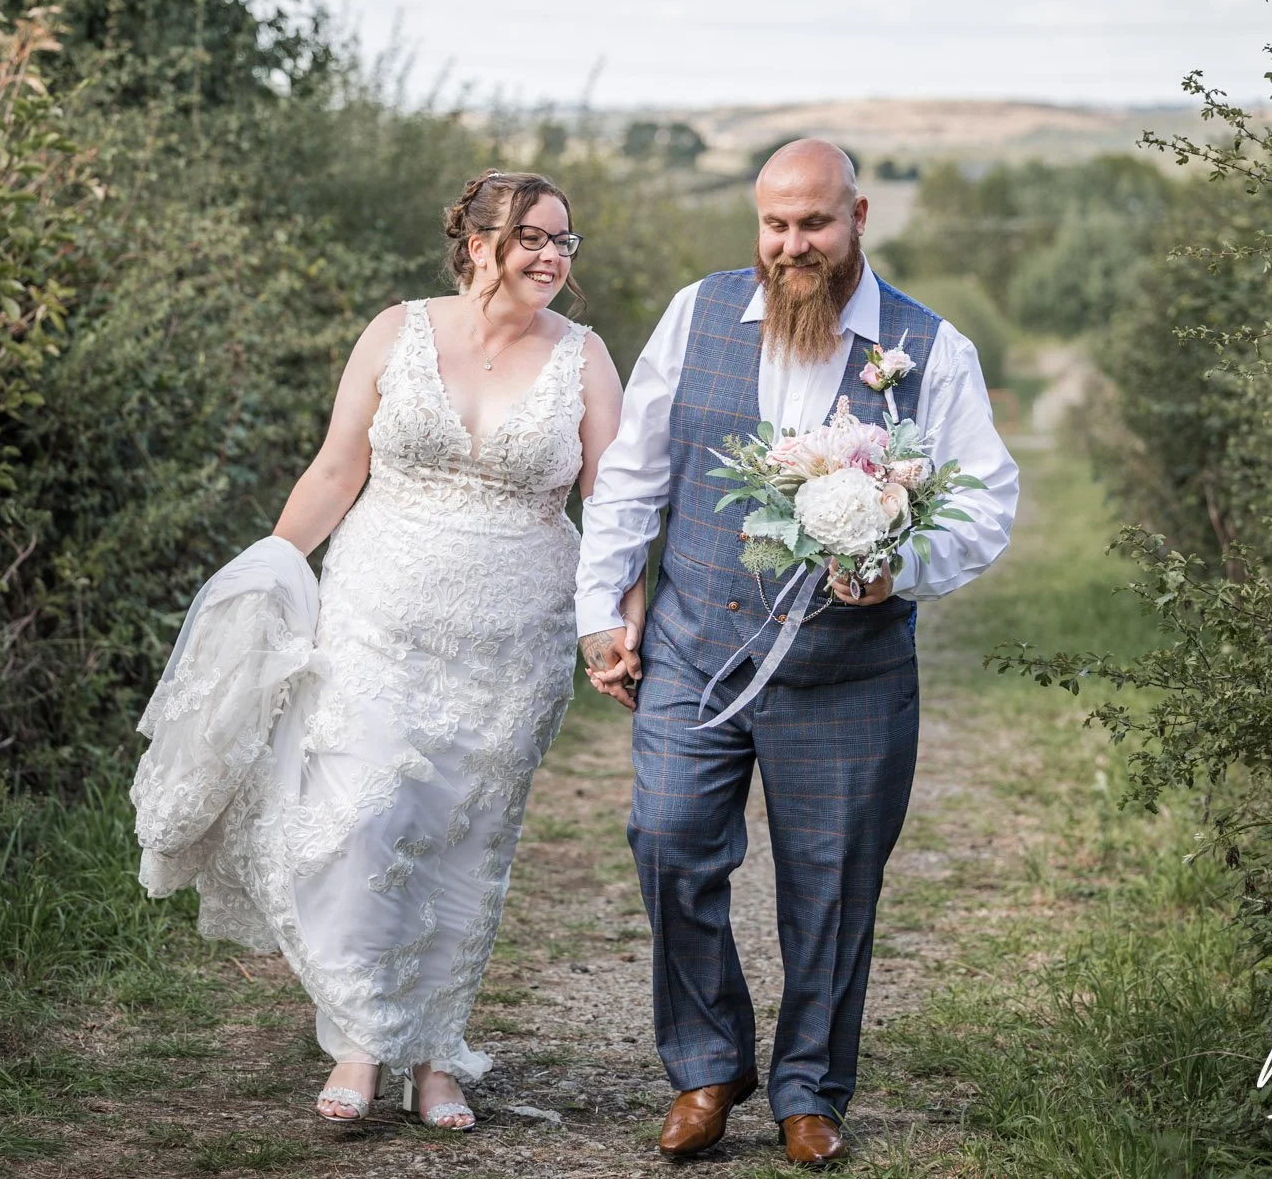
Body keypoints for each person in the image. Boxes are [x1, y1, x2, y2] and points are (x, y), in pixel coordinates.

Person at [130, 170, 625, 1131]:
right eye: (532, 237)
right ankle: (363, 1036)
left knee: (463, 839)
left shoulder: (586, 357)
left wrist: (614, 623)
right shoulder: (397, 330)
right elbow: (336, 467)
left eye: (565, 241)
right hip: (375, 616)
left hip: (512, 637)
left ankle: (437, 1053)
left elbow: (611, 506)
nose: (554, 257)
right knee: (365, 818)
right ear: (477, 241)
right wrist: (276, 568)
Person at [575, 139, 1019, 1166]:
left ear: (858, 216)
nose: (790, 245)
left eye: (812, 224)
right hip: (695, 649)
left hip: (847, 669)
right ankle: (705, 1065)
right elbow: (633, 474)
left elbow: (986, 505)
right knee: (668, 841)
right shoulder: (695, 315)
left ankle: (809, 1089)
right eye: (773, 225)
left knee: (831, 885)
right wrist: (602, 610)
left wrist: (896, 568)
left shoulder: (928, 348)